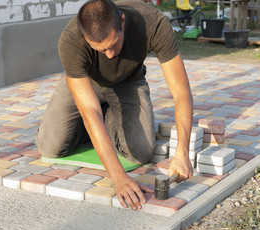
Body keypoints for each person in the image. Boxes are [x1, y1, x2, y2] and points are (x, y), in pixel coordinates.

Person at [36, 0, 193, 210]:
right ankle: (90, 126)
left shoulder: (154, 24)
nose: (109, 54)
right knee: (51, 147)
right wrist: (119, 177)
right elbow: (89, 111)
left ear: (122, 22)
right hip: (85, 83)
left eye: (113, 45)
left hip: (128, 82)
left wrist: (182, 152)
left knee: (141, 151)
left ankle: (108, 115)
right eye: (100, 49)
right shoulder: (71, 39)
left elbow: (181, 92)